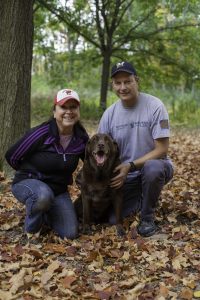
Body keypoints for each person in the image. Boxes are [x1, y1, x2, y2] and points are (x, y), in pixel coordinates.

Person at [98, 61, 174, 237]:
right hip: (126, 177)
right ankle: (143, 196)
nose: (123, 87)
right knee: (109, 218)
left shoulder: (155, 106)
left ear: (136, 81)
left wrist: (130, 166)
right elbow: (102, 152)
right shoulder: (109, 114)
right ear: (112, 85)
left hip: (156, 168)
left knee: (152, 168)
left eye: (128, 81)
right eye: (118, 83)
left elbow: (162, 149)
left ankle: (147, 218)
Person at [5, 89, 88, 240]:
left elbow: (90, 162)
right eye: (63, 107)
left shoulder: (81, 139)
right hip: (29, 183)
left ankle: (44, 211)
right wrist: (28, 173)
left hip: (58, 191)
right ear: (55, 111)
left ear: (78, 111)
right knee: (42, 195)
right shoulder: (41, 133)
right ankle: (32, 230)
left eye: (73, 107)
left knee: (70, 233)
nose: (69, 111)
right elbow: (11, 156)